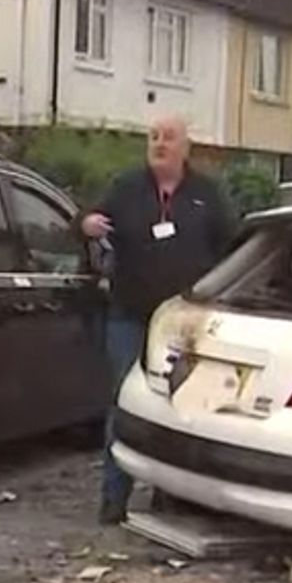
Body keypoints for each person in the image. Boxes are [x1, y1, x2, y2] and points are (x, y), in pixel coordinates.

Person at [79, 113, 239, 526]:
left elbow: (231, 248)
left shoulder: (206, 193)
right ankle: (114, 498)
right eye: (153, 137)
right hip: (130, 313)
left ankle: (171, 495)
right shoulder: (127, 188)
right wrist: (87, 224)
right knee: (124, 400)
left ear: (185, 147)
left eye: (168, 138)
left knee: (180, 403)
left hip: (184, 322)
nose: (159, 144)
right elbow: (88, 221)